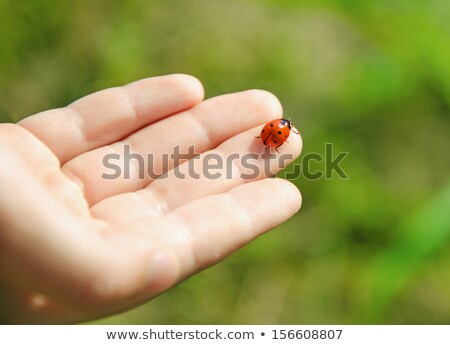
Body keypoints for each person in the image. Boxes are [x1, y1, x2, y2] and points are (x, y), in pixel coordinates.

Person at [0, 74, 302, 324]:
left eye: (281, 131)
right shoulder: (278, 131)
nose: (281, 131)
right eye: (282, 130)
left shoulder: (273, 131)